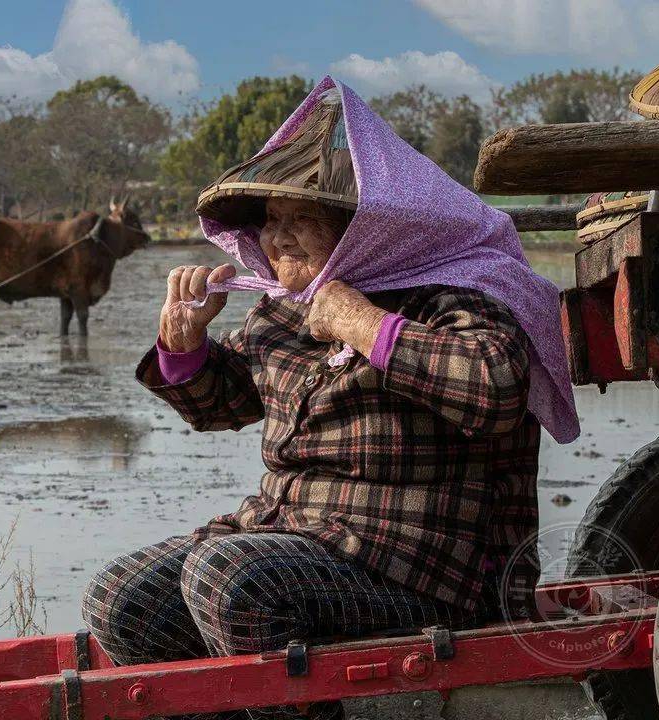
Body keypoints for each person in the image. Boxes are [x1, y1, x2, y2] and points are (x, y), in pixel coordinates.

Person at [81, 79, 579, 720]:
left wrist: (364, 325)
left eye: (301, 218)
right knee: (121, 598)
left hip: (425, 570)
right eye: (270, 220)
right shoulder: (284, 311)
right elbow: (225, 404)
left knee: (228, 579)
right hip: (303, 538)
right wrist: (186, 349)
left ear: (362, 228)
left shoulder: (457, 293)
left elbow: (496, 389)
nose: (278, 237)